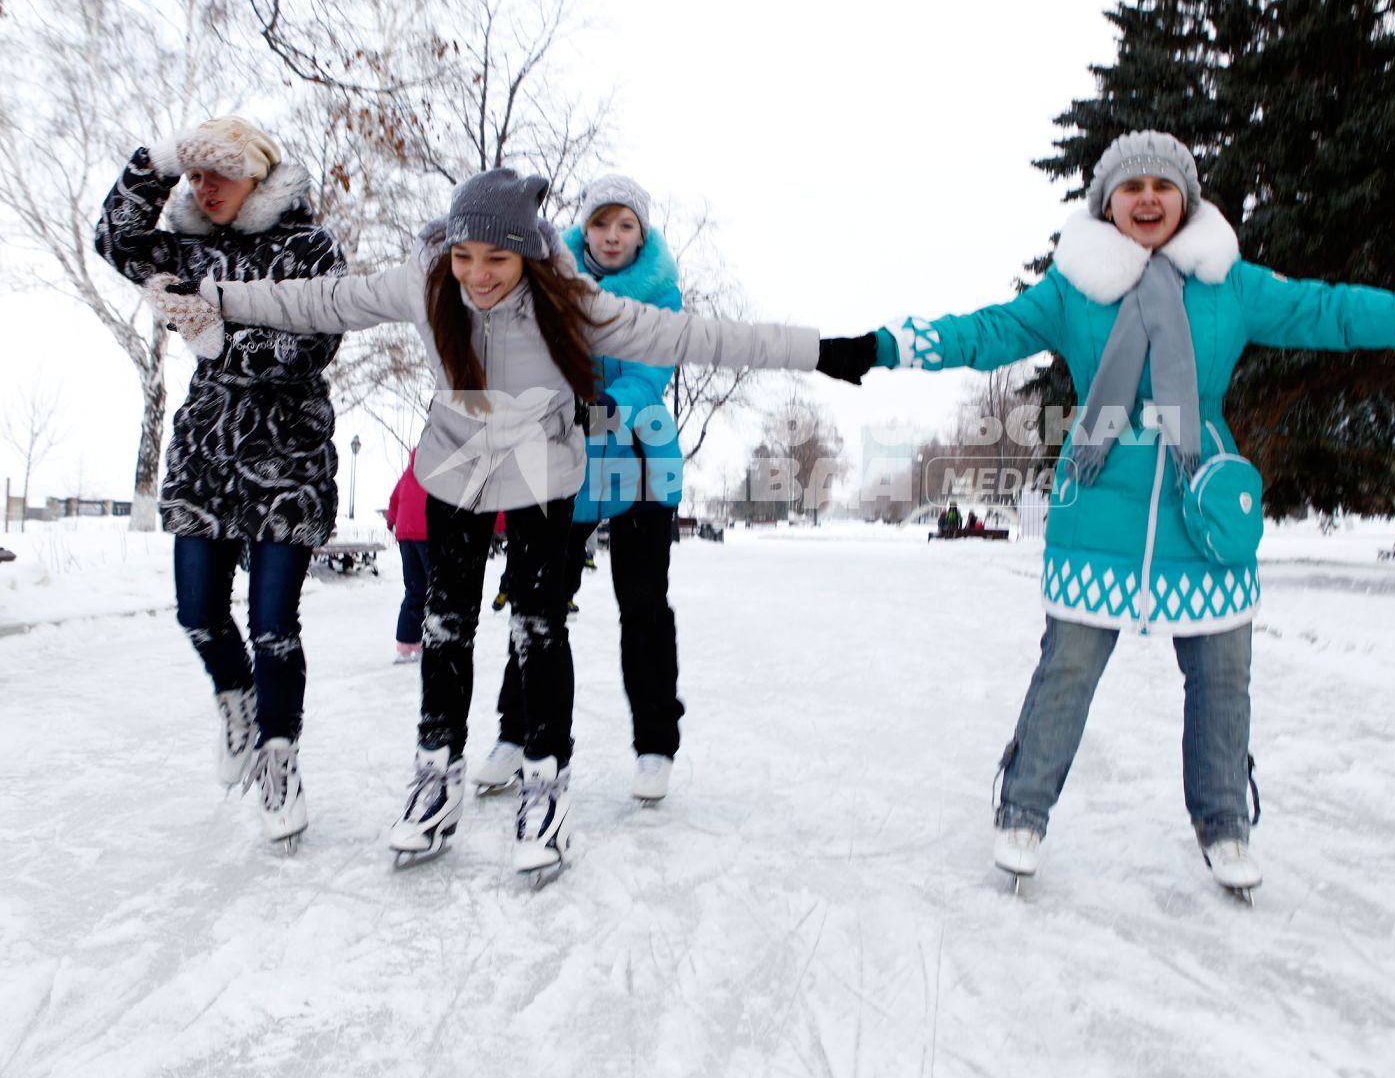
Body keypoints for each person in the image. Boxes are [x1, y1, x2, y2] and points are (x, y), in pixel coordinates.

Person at [845, 130, 1395, 894]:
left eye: (1165, 186)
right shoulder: (1074, 289)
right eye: (1133, 188)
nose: (1150, 199)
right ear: (1108, 203)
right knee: (1068, 668)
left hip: (1203, 501)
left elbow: (1329, 312)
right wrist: (889, 346)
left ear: (1186, 200)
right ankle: (1024, 808)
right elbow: (987, 333)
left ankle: (1225, 822)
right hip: (1099, 494)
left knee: (1224, 674)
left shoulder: (1230, 285)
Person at [154, 167, 869, 876]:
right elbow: (320, 299)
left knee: (538, 623)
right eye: (465, 256)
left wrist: (821, 351)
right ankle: (436, 774)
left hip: (542, 471)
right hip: (455, 465)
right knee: (445, 624)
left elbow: (695, 337)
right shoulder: (428, 280)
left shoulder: (574, 302)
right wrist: (209, 295)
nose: (477, 275)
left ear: (527, 253)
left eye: (496, 259)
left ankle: (545, 783)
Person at [94, 116, 345, 846]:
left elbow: (313, 345)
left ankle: (279, 757)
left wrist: (217, 338)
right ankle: (235, 702)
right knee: (199, 612)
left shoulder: (309, 245)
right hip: (205, 456)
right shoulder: (187, 242)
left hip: (286, 460)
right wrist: (158, 160)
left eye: (217, 173)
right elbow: (115, 239)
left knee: (272, 624)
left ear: (258, 176)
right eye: (193, 174)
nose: (203, 189)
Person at [472, 175, 688, 804]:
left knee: (643, 606)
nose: (612, 236)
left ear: (641, 233)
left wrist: (590, 413)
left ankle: (654, 744)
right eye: (601, 224)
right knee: (538, 602)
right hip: (562, 461)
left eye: (625, 225)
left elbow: (649, 379)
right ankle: (518, 734)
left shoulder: (661, 294)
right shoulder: (550, 280)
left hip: (640, 461)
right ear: (584, 229)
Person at [384, 447, 429, 664]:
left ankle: (406, 643)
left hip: (405, 534)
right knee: (435, 590)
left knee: (414, 589)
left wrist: (391, 521)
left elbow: (393, 500)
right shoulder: (439, 470)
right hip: (427, 533)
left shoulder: (407, 474)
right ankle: (430, 641)